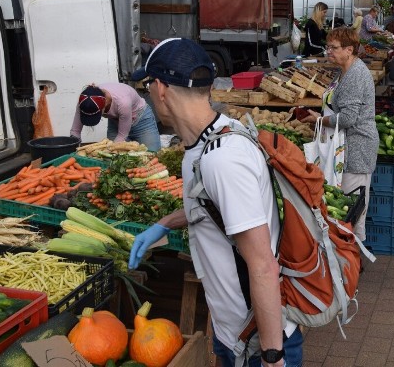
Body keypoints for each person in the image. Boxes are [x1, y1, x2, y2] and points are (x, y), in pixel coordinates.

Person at [126, 38, 302, 367]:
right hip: (234, 334)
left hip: (257, 340)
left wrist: (272, 356)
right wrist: (163, 224)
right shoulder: (207, 140)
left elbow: (262, 264)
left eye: (149, 85)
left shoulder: (222, 160)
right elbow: (213, 206)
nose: (149, 94)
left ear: (161, 89)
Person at [301, 27, 379, 241]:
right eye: (328, 47)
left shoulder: (355, 75)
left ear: (349, 49)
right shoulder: (344, 70)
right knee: (347, 207)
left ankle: (351, 259)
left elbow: (347, 118)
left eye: (333, 48)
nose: (328, 51)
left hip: (356, 147)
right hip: (345, 146)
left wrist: (319, 120)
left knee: (350, 209)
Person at [70, 83, 161, 152]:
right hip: (116, 121)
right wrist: (74, 150)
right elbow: (75, 131)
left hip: (141, 120)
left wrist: (110, 149)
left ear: (105, 104)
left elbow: (122, 136)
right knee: (114, 159)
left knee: (152, 153)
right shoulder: (84, 102)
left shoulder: (122, 102)